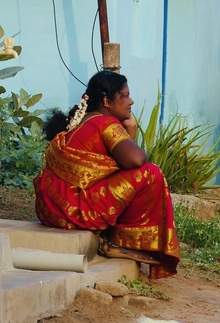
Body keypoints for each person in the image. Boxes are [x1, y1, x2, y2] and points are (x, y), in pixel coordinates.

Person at [33, 70, 180, 279]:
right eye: (125, 95)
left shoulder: (81, 121)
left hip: (51, 209)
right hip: (76, 211)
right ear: (106, 100)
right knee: (150, 173)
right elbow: (136, 160)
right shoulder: (105, 123)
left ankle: (116, 239)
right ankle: (121, 241)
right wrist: (132, 129)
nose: (131, 101)